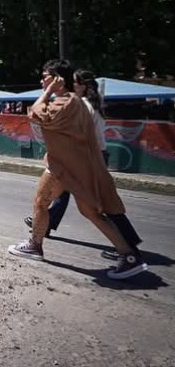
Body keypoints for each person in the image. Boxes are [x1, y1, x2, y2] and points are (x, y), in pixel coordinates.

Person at [8, 59, 147, 280]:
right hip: (78, 166)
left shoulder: (67, 102)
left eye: (45, 77)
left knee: (40, 202)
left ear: (57, 80)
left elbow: (36, 113)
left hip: (64, 166)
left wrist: (48, 92)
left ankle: (35, 245)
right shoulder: (76, 102)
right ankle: (129, 256)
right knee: (90, 212)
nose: (41, 81)